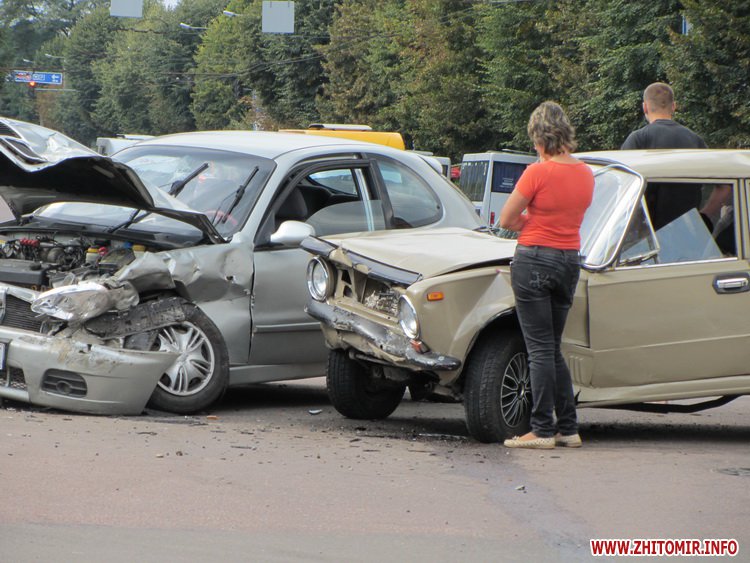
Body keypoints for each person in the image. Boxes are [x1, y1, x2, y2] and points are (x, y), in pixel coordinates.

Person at [499, 101, 594, 450]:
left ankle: (540, 429)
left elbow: (506, 219)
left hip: (535, 259)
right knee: (552, 348)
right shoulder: (586, 173)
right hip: (569, 260)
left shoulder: (537, 173)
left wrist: (532, 223)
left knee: (538, 350)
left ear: (539, 139)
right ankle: (568, 428)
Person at [622, 82, 708, 230]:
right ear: (673, 106)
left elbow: (623, 186)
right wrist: (704, 216)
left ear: (645, 107)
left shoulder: (638, 139)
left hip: (650, 233)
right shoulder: (696, 140)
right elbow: (723, 187)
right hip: (689, 232)